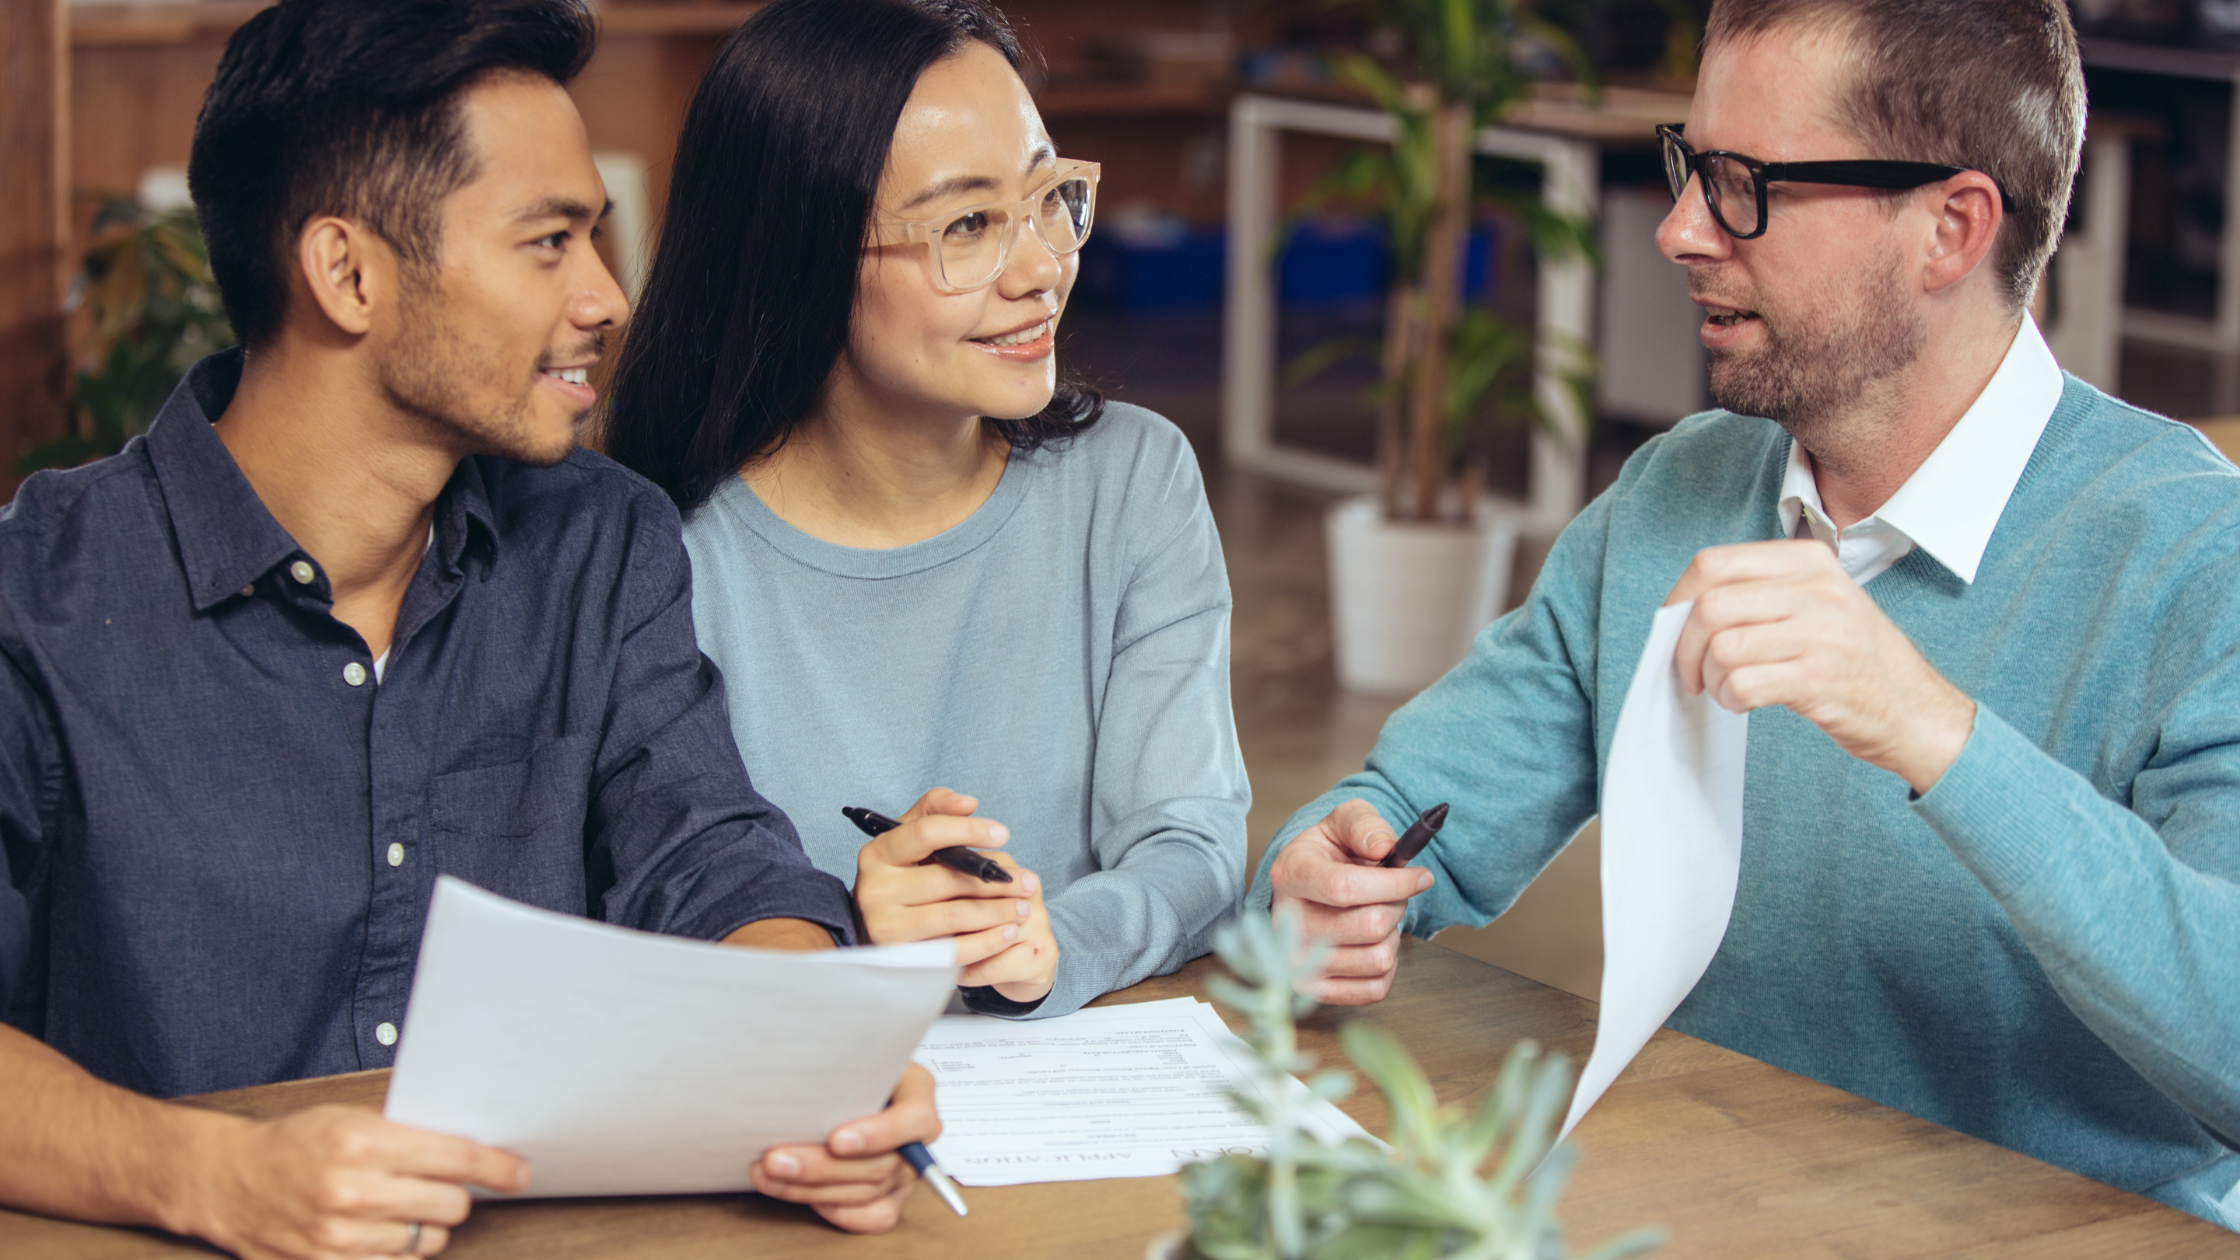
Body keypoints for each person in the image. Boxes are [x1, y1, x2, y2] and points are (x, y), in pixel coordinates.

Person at [1253, 0, 2240, 1230]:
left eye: (1742, 186)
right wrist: (1321, 882)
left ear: (1949, 227)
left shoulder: (2198, 555)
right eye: (1688, 168)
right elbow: (1408, 821)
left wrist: (1930, 729)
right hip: (1711, 1214)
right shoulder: (1679, 491)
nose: (1676, 230)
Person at [0, 0, 939, 1250]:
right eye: (547, 242)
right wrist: (214, 1177)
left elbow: (710, 858)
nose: (607, 297)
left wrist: (814, 1068)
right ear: (347, 274)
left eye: (594, 238)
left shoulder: (601, 540)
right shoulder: (41, 591)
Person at [603, 0, 1248, 1019]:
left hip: (1064, 1092)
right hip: (790, 1097)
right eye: (966, 225)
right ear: (799, 251)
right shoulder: (649, 546)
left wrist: (1051, 946)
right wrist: (850, 942)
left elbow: (1190, 840)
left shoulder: (1132, 481)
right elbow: (634, 911)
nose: (1040, 269)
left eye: (1047, 200)